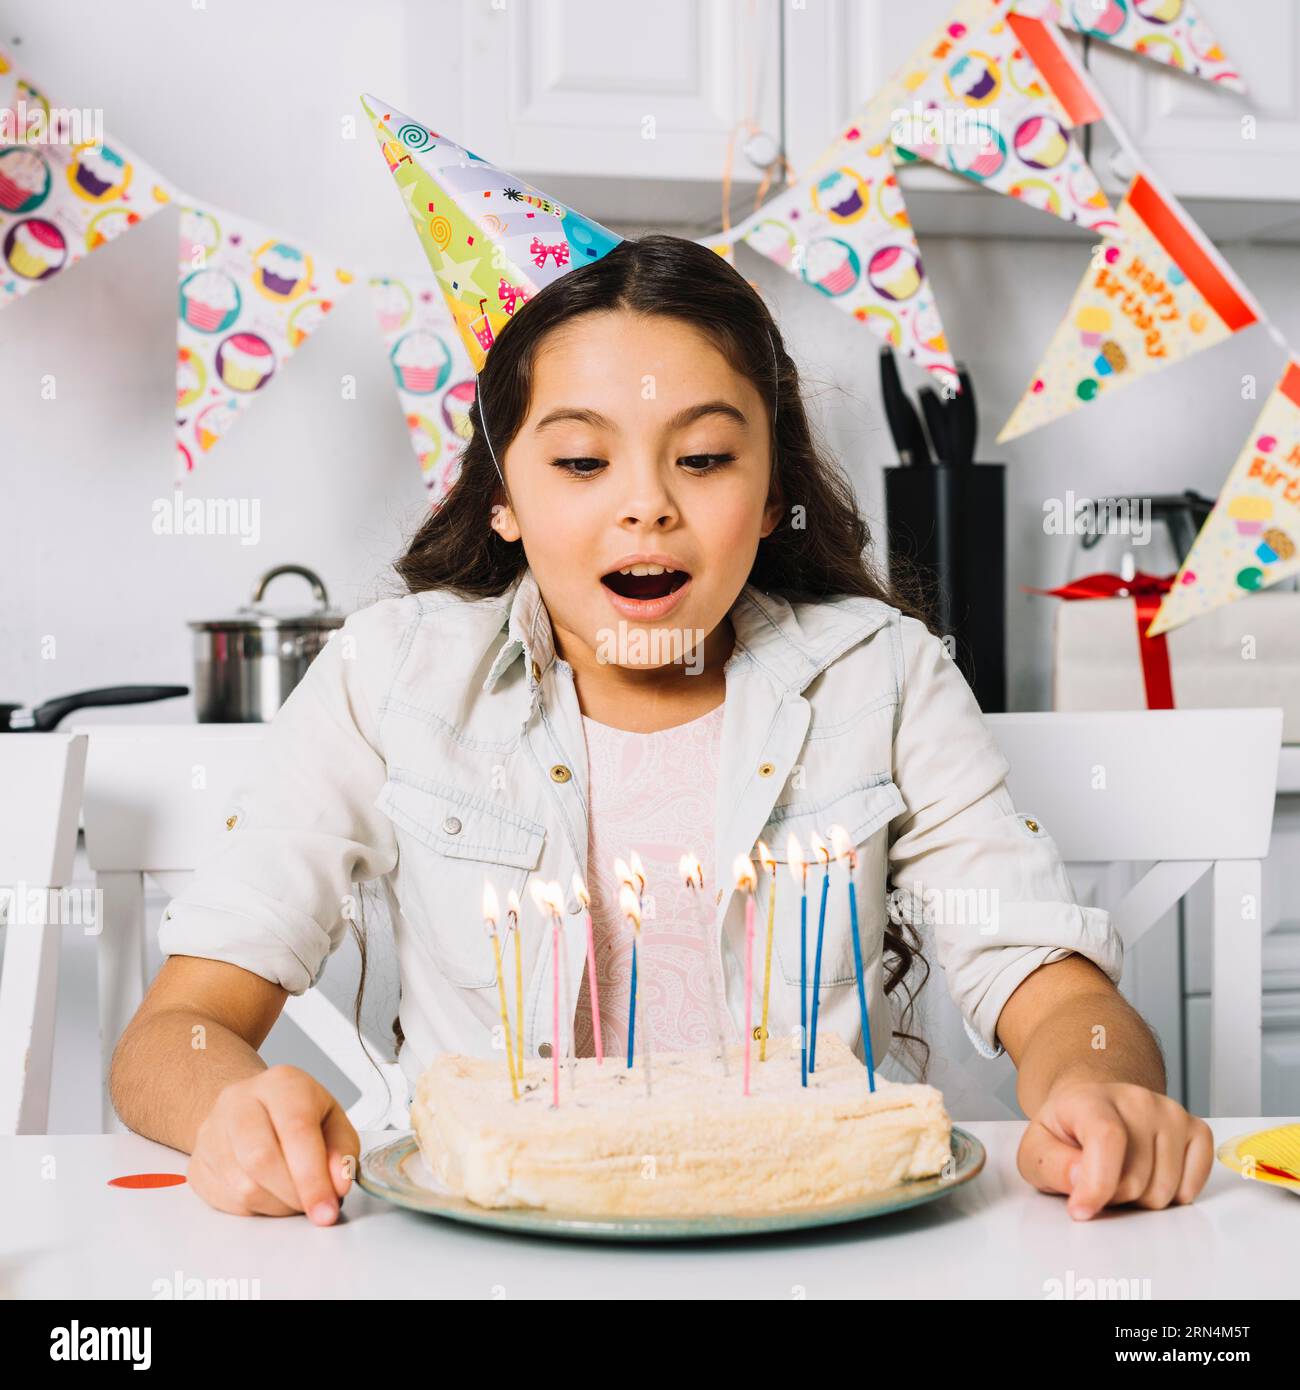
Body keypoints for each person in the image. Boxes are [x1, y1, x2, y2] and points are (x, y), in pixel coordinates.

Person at [111, 235, 1212, 1226]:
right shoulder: (388, 674)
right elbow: (179, 1029)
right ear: (503, 497)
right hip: (471, 1250)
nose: (646, 505)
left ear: (773, 484)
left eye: (702, 458)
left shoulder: (879, 674)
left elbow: (1055, 987)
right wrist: (234, 1107)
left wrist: (1099, 1084)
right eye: (583, 461)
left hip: (821, 1244)